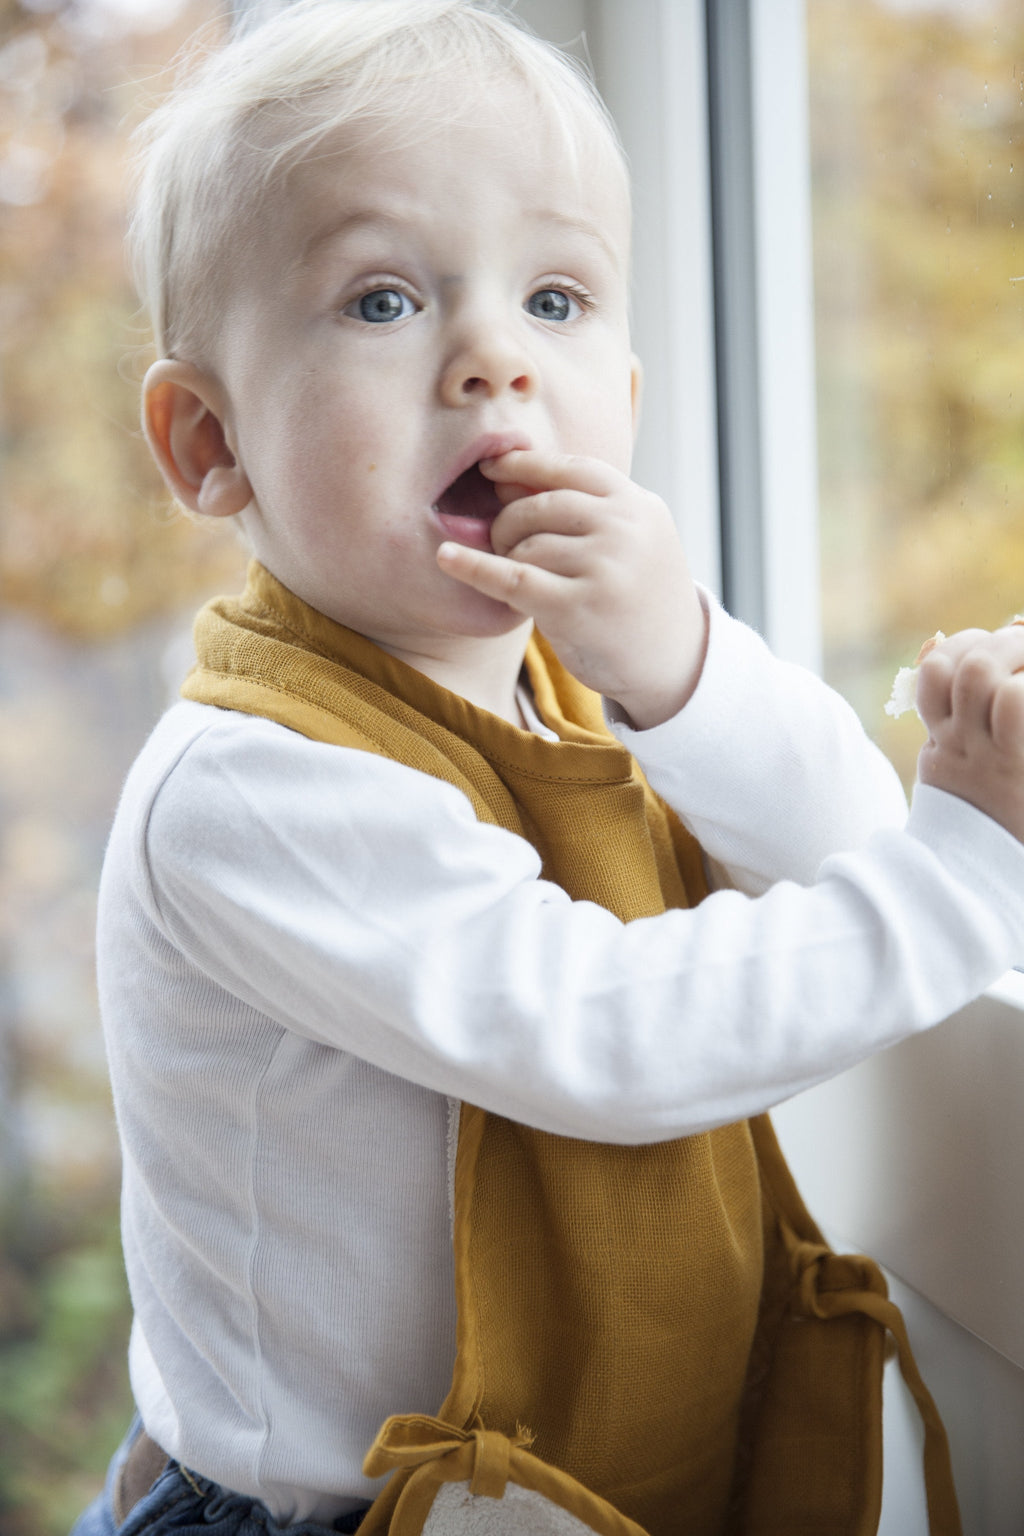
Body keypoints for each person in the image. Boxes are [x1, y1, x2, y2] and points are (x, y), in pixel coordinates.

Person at [78, 2, 1024, 1534]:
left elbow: (848, 841)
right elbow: (608, 1044)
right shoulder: (252, 786)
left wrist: (683, 667)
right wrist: (972, 870)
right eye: (383, 301)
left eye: (559, 298)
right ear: (209, 443)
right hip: (318, 1515)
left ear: (628, 412)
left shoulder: (571, 684)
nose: (493, 362)